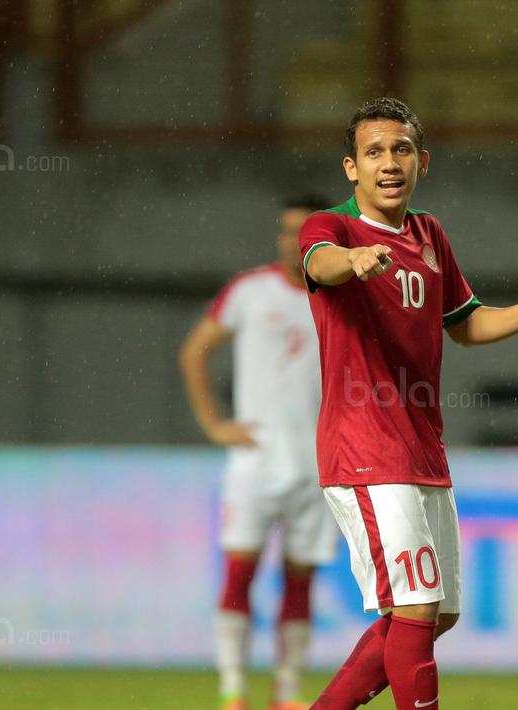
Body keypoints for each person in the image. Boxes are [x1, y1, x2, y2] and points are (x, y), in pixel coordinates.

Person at [299, 97, 518, 710]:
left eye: (401, 150)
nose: (388, 163)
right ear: (351, 168)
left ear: (422, 161)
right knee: (417, 605)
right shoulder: (332, 227)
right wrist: (353, 259)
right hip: (365, 444)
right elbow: (320, 263)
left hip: (421, 444)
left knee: (438, 612)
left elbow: (464, 323)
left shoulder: (428, 233)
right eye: (374, 152)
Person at [179, 194, 337, 710]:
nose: (293, 242)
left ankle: (286, 693)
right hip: (255, 463)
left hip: (317, 465)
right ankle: (232, 689)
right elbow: (195, 350)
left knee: (301, 580)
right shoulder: (250, 291)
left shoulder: (341, 297)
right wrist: (213, 424)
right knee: (240, 571)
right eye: (286, 231)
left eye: (304, 233)